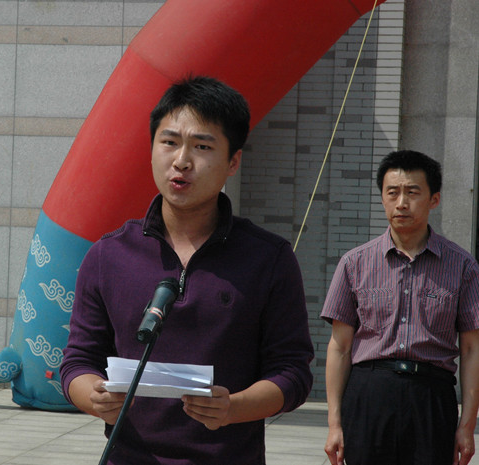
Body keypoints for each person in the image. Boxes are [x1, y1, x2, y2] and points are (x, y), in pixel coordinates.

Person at [59, 75, 314, 464]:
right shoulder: (108, 255)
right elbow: (78, 361)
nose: (181, 161)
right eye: (169, 142)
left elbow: (293, 373)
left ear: (233, 162)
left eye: (202, 146)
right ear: (151, 150)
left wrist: (234, 408)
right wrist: (93, 396)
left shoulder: (269, 258)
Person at [321, 150, 479, 465]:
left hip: (431, 398)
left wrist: (467, 425)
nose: (401, 203)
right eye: (392, 192)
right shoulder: (354, 263)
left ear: (434, 200)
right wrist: (334, 423)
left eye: (412, 192)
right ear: (382, 198)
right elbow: (340, 347)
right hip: (369, 395)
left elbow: (472, 349)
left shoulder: (463, 266)